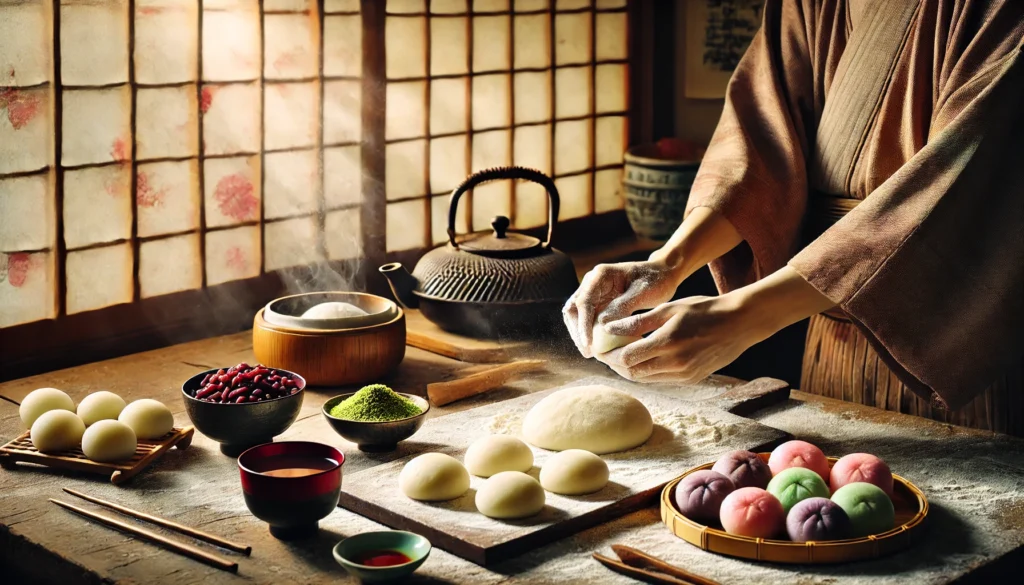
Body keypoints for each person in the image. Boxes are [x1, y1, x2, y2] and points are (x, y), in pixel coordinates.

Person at [563, 0, 1024, 436]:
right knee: (824, 500)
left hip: (953, 335)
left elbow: (960, 187)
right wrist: (667, 262)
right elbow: (760, 147)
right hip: (824, 324)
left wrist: (744, 316)